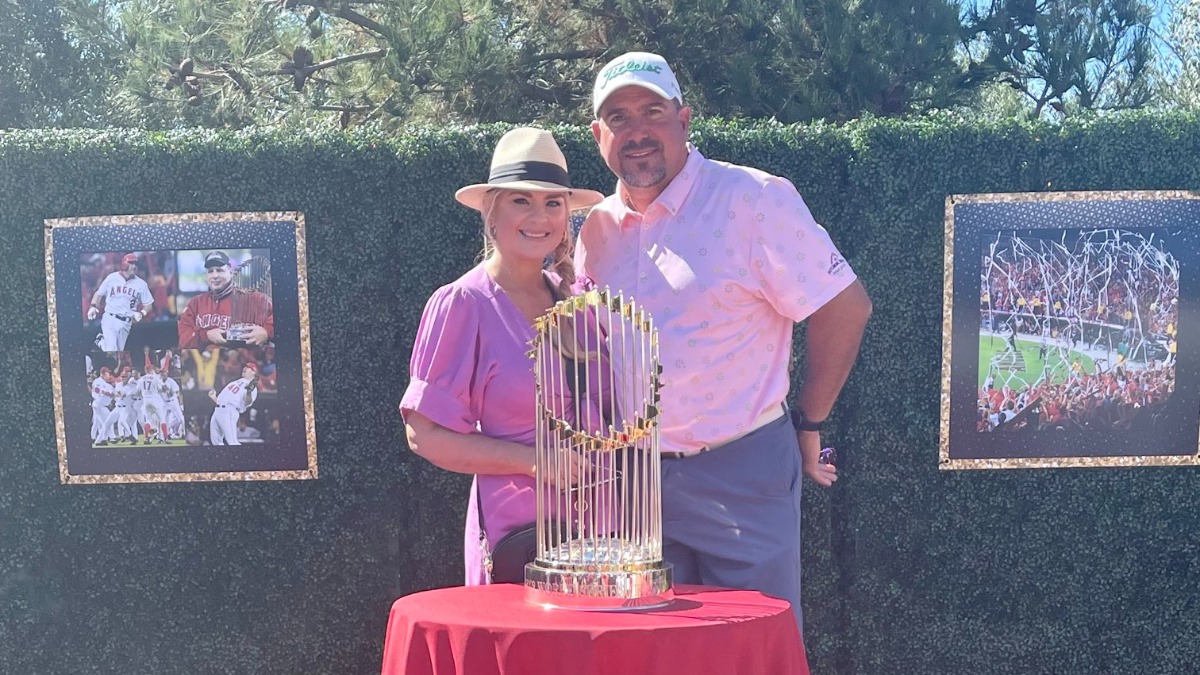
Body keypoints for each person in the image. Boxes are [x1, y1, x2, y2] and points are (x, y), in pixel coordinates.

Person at [575, 51, 873, 630]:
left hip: (743, 472)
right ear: (598, 135)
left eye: (651, 111)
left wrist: (810, 423)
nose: (636, 131)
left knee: (753, 648)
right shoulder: (595, 231)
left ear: (684, 120)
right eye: (618, 117)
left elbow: (846, 306)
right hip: (637, 484)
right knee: (650, 653)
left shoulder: (754, 200)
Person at [399, 127, 606, 585]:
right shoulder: (461, 304)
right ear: (492, 214)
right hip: (520, 540)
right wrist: (534, 461)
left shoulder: (576, 299)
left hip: (603, 535)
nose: (540, 216)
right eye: (521, 201)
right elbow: (425, 437)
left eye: (553, 203)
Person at [177, 250, 273, 348]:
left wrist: (266, 332)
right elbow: (184, 340)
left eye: (220, 270)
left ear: (231, 273)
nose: (215, 276)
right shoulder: (196, 303)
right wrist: (206, 335)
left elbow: (284, 320)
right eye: (210, 271)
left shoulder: (255, 299)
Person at [87, 254, 153, 362]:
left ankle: (100, 341)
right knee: (111, 350)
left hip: (126, 322)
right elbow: (99, 294)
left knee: (118, 354)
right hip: (110, 318)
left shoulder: (141, 284)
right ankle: (101, 342)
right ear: (124, 264)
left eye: (135, 264)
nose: (134, 266)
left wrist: (142, 313)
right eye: (131, 263)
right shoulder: (112, 278)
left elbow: (149, 304)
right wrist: (93, 306)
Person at [208, 363, 260, 445]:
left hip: (229, 412)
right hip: (217, 410)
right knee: (216, 442)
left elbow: (248, 402)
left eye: (248, 367)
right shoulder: (236, 381)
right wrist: (214, 398)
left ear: (254, 372)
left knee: (233, 442)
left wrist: (249, 392)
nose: (245, 368)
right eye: (245, 367)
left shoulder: (252, 387)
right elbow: (226, 400)